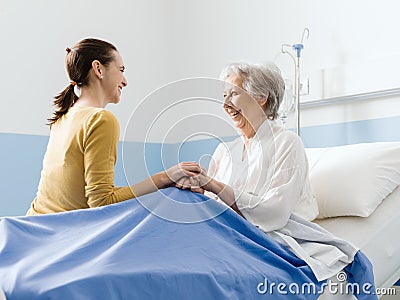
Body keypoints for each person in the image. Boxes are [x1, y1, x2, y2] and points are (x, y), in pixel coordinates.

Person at [176, 62, 375, 292]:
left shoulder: (287, 143)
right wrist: (198, 190)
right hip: (220, 233)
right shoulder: (225, 151)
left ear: (261, 98)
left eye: (233, 94)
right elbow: (215, 204)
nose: (225, 104)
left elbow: (275, 212)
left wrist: (213, 185)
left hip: (265, 236)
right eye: (224, 95)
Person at [27, 38, 201, 215]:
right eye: (121, 70)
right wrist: (164, 178)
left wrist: (165, 179)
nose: (125, 81)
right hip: (63, 234)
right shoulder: (100, 119)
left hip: (35, 226)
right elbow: (102, 201)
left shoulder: (64, 117)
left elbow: (92, 195)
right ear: (98, 69)